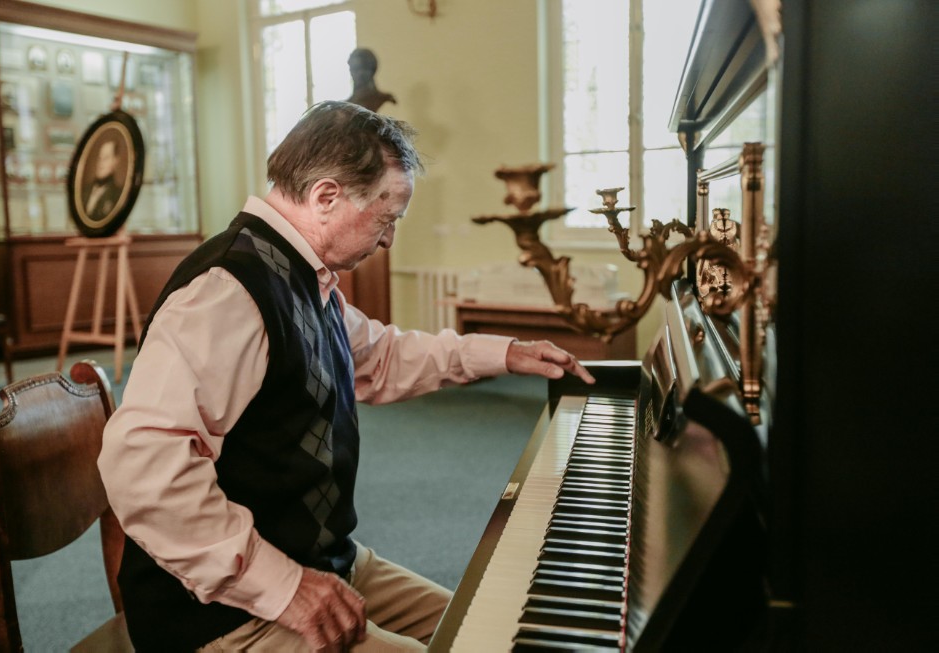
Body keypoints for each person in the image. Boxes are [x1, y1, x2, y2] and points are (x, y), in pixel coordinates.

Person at [98, 100, 595, 652]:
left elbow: (378, 356)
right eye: (387, 219)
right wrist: (284, 587)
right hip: (222, 610)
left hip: (320, 559)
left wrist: (502, 353)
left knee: (492, 630)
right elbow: (142, 465)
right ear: (326, 196)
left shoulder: (301, 273)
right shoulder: (227, 292)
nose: (389, 241)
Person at [81, 137, 123, 221]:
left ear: (115, 161)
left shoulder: (118, 196)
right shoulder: (84, 191)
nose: (101, 163)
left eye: (106, 158)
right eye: (99, 158)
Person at [346, 48, 397, 113]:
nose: (359, 73)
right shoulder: (347, 105)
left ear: (372, 69)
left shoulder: (385, 99)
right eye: (354, 69)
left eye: (363, 68)